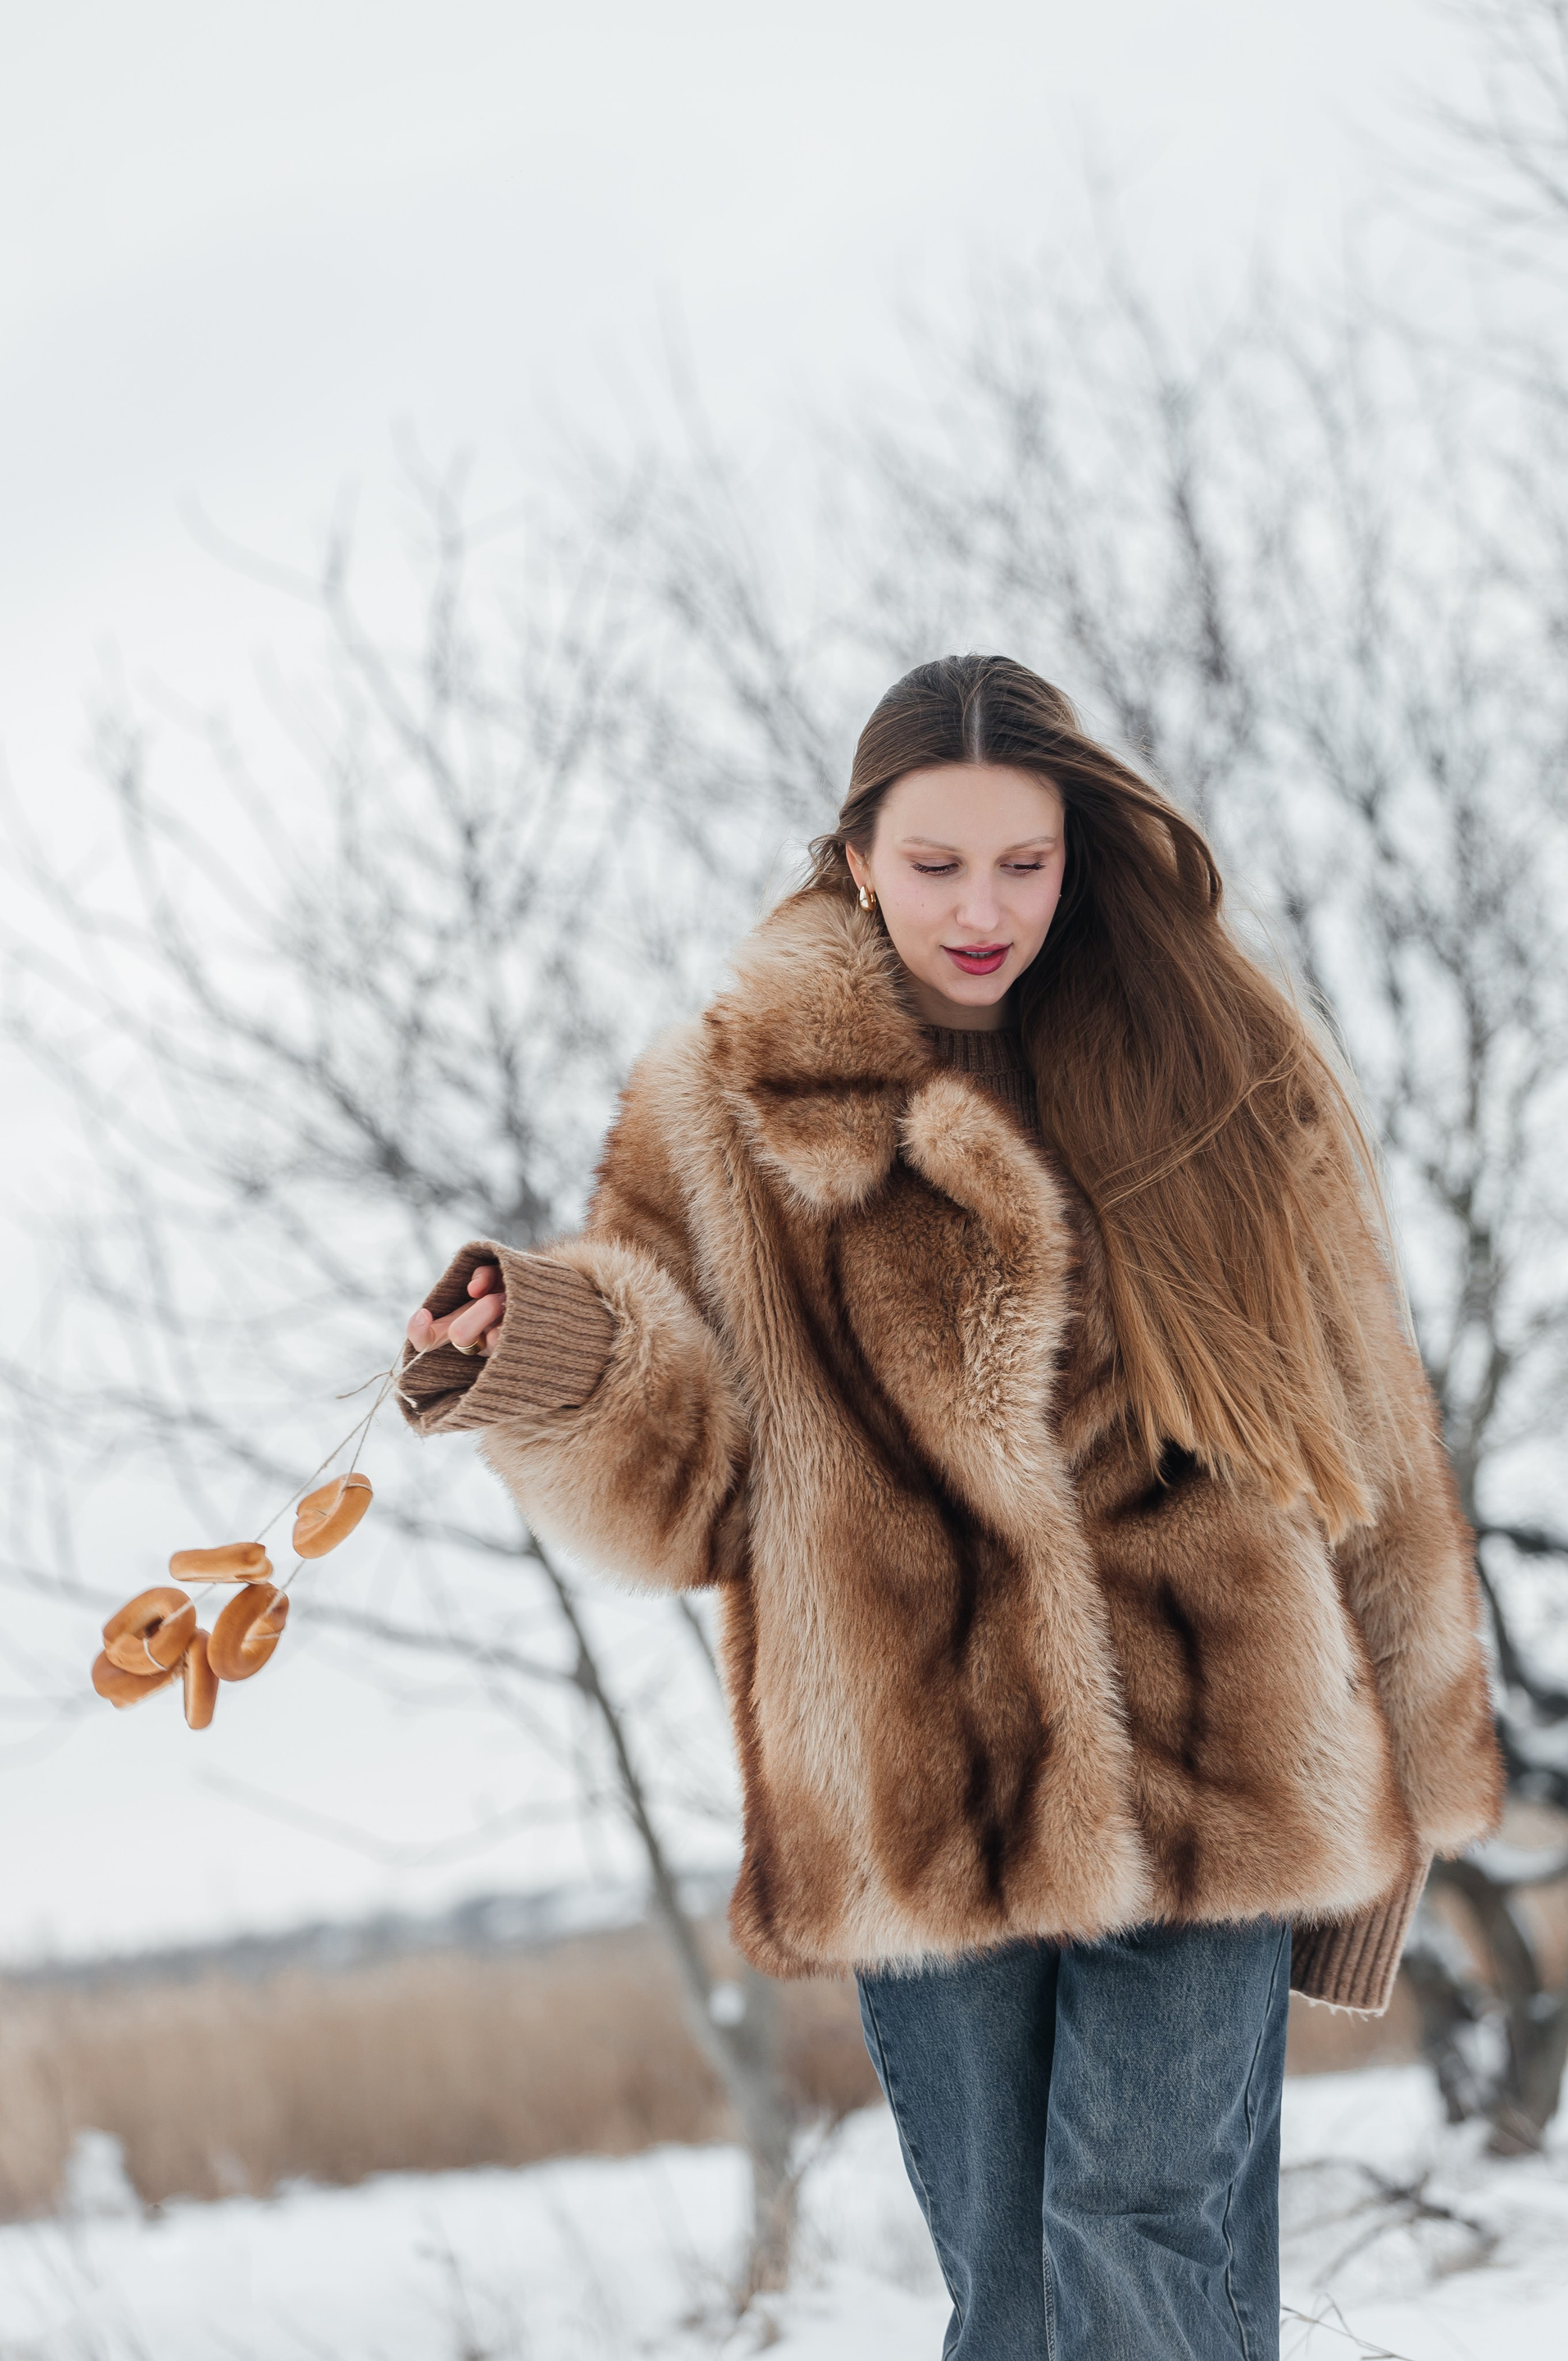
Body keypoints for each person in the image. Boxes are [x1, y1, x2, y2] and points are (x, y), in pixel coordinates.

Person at [399, 655, 1500, 2359]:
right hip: (919, 1791)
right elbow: (692, 1489)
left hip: (1229, 1771)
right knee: (1016, 2290)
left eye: (1024, 863)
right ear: (856, 857)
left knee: (1138, 2231)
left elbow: (1368, 1445)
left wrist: (1407, 1801)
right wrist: (538, 1349)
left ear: (1078, 854)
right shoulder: (725, 1114)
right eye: (936, 864)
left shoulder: (1221, 1066)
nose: (984, 910)